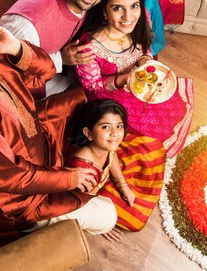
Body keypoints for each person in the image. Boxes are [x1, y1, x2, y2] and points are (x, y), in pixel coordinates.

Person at [0, 0, 117, 252]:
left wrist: (16, 47)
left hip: (30, 143)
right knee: (108, 216)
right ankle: (43, 228)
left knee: (85, 99)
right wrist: (69, 179)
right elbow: (12, 176)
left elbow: (46, 71)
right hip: (16, 200)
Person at [74, 0, 194, 158]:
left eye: (134, 6)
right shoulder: (89, 48)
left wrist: (144, 60)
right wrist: (123, 80)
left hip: (140, 80)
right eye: (117, 8)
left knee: (168, 105)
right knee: (145, 135)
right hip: (112, 95)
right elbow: (92, 86)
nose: (128, 17)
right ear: (104, 11)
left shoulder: (142, 16)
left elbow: (144, 48)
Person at [0, 0, 118, 97]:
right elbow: (6, 78)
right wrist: (60, 59)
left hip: (66, 72)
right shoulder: (26, 28)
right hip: (30, 90)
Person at [66, 98, 166, 241]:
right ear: (88, 133)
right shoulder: (83, 169)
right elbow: (76, 204)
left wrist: (123, 185)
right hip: (87, 196)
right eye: (106, 127)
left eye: (119, 126)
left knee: (153, 147)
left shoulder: (105, 145)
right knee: (135, 220)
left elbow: (111, 154)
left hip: (103, 178)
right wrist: (97, 223)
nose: (115, 133)